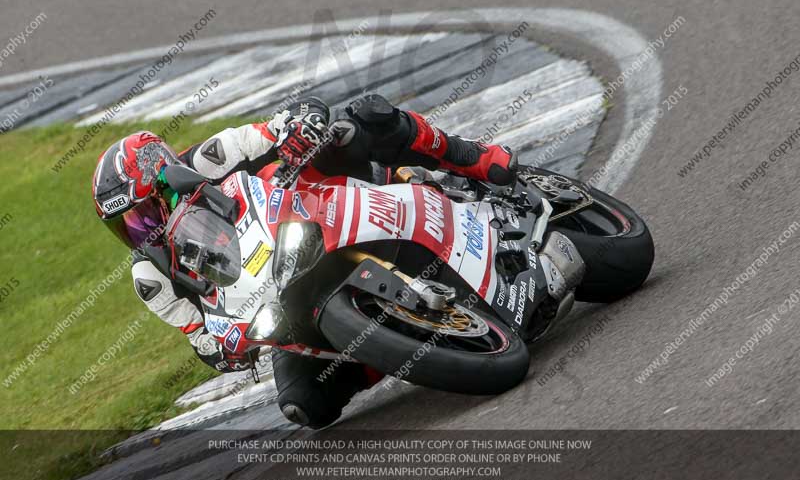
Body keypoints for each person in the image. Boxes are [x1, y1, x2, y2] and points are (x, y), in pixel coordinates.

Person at [91, 94, 517, 427]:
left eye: (141, 213)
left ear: (166, 178)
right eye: (125, 226)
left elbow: (284, 122)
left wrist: (299, 126)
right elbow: (200, 337)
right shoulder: (151, 276)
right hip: (281, 301)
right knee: (303, 404)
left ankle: (470, 158)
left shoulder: (210, 158)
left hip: (316, 207)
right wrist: (227, 349)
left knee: (355, 124)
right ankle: (394, 346)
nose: (140, 230)